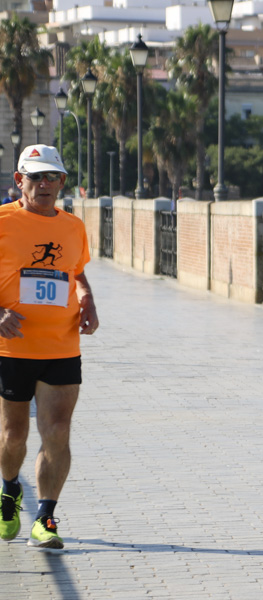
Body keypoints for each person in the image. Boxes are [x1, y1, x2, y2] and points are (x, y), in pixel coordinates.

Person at [0, 144, 99, 550]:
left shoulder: (73, 226)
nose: (44, 184)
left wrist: (87, 299)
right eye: (35, 177)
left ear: (62, 182)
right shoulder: (3, 221)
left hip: (61, 345)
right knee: (13, 436)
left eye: (52, 177)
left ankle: (45, 517)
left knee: (57, 431)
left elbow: (75, 273)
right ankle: (8, 491)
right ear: (18, 181)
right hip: (12, 349)